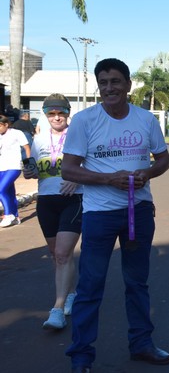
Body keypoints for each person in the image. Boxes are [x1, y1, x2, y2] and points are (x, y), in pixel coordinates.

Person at [62, 58, 169, 371]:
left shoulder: (146, 120)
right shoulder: (85, 121)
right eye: (103, 82)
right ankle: (81, 356)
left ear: (128, 85)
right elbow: (68, 168)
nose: (109, 88)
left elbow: (164, 160)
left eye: (115, 81)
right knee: (90, 286)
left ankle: (142, 344)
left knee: (137, 283)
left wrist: (147, 173)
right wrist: (108, 179)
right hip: (99, 214)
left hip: (138, 211)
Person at [23, 94, 82, 330]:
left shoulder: (78, 136)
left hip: (74, 199)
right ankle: (70, 292)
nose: (57, 118)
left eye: (61, 113)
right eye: (51, 114)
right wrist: (30, 173)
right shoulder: (38, 140)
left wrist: (77, 181)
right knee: (56, 254)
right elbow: (37, 169)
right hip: (46, 200)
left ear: (68, 113)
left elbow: (91, 165)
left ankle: (56, 310)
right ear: (46, 115)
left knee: (62, 252)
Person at [0, 115, 31, 227]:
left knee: (0, 190)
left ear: (6, 124)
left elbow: (27, 148)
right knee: (9, 192)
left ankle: (8, 215)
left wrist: (28, 164)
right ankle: (15, 216)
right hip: (1, 167)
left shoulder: (16, 133)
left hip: (14, 166)